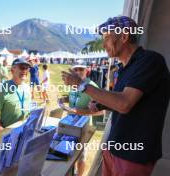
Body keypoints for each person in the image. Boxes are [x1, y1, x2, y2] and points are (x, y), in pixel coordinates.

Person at [61, 16, 170, 176]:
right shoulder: (124, 68)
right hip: (114, 148)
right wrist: (100, 104)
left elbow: (124, 104)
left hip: (134, 156)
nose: (103, 44)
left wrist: (83, 85)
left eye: (106, 38)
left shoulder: (150, 60)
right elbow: (120, 100)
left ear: (124, 36)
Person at [59, 65, 103, 176]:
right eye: (75, 69)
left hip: (83, 128)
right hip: (69, 126)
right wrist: (64, 99)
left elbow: (101, 111)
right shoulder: (74, 85)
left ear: (87, 71)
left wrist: (77, 111)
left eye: (81, 69)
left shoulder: (91, 86)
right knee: (67, 155)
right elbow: (75, 98)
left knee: (81, 157)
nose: (78, 71)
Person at [0, 58, 31, 131]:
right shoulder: (1, 89)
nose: (25, 71)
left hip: (26, 130)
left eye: (27, 68)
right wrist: (2, 131)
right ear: (12, 70)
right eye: (22, 67)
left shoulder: (27, 87)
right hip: (10, 134)